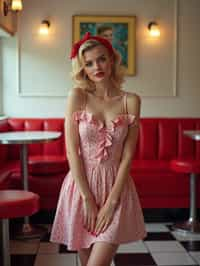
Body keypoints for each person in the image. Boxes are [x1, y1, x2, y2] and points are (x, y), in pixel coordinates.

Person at [50, 32, 146, 266]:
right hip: (81, 188)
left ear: (112, 60)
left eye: (101, 59)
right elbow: (72, 150)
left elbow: (128, 155)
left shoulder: (131, 100)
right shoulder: (77, 95)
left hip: (117, 189)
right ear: (82, 68)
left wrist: (112, 202)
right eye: (89, 63)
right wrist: (86, 198)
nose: (96, 67)